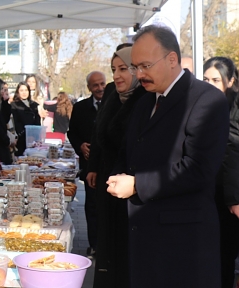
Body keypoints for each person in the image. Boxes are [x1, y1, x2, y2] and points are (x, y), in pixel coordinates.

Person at [106, 25, 229, 288]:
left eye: (146, 66)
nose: (140, 74)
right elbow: (129, 151)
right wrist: (117, 175)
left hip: (182, 244)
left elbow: (198, 169)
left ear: (172, 59)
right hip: (143, 238)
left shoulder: (207, 100)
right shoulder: (145, 102)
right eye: (136, 67)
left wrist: (138, 183)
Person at [85, 47, 147, 288]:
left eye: (123, 69)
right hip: (108, 180)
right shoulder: (113, 94)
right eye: (114, 70)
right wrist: (93, 166)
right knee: (108, 245)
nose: (117, 75)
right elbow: (99, 132)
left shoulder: (145, 97)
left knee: (124, 251)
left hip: (131, 189)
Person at [203, 56, 239, 288]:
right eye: (206, 79)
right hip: (209, 191)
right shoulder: (206, 104)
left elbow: (232, 152)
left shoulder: (233, 108)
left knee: (224, 254)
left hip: (228, 197)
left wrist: (234, 198)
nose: (209, 85)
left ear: (231, 81)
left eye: (216, 80)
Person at [66, 70, 105, 262]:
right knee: (92, 207)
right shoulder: (80, 108)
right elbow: (71, 133)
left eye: (102, 84)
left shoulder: (113, 105)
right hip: (89, 166)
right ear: (89, 88)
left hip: (109, 165)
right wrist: (80, 145)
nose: (100, 88)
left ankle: (108, 245)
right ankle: (95, 245)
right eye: (95, 85)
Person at [11, 81, 41, 156]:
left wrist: (35, 135)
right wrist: (26, 134)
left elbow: (37, 122)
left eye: (26, 90)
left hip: (34, 139)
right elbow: (16, 122)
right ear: (18, 92)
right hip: (21, 139)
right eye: (21, 90)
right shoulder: (14, 105)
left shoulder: (34, 105)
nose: (24, 93)